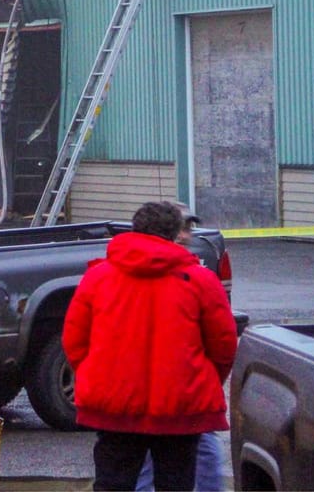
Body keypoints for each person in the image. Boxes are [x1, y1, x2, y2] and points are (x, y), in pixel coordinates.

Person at [63, 201, 237, 491]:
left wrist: (96, 377)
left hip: (114, 405)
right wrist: (202, 381)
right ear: (175, 233)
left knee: (112, 484)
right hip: (180, 405)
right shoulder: (201, 280)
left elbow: (74, 340)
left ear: (135, 228)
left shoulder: (98, 277)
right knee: (177, 484)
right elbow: (223, 345)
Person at [134, 203, 229, 492]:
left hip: (184, 396)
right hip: (147, 395)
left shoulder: (199, 274)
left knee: (204, 456)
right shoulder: (129, 274)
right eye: (181, 228)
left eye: (189, 228)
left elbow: (222, 341)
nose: (187, 235)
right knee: (151, 465)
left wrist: (204, 381)